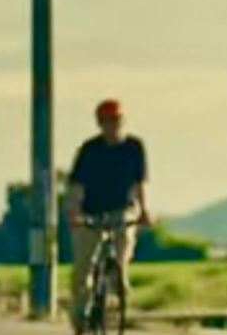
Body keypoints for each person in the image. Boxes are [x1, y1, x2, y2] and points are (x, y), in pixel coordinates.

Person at [65, 99, 150, 335]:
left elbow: (140, 183)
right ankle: (80, 320)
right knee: (82, 271)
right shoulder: (89, 150)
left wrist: (144, 211)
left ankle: (117, 296)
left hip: (122, 210)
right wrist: (74, 213)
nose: (113, 125)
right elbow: (77, 186)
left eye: (117, 120)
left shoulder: (134, 147)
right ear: (100, 124)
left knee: (121, 257)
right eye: (107, 121)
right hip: (90, 213)